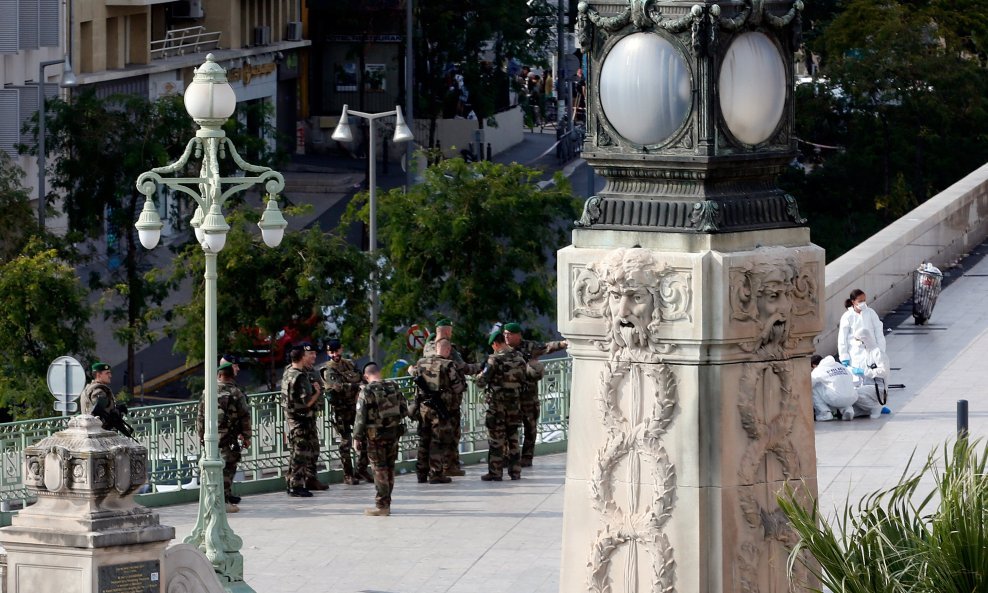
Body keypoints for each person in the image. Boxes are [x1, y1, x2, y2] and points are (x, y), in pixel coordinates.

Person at [476, 332, 542, 482]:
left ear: (495, 344)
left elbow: (481, 382)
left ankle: (495, 472)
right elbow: (525, 379)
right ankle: (515, 472)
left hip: (497, 406)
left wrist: (479, 374)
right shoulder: (519, 358)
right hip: (515, 405)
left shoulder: (494, 360)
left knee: (496, 439)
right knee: (513, 438)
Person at [502, 322, 568, 468]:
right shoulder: (503, 350)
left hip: (529, 395)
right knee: (509, 427)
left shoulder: (529, 347)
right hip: (511, 396)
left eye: (510, 334)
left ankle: (527, 457)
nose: (506, 337)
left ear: (518, 335)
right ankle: (508, 456)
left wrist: (563, 344)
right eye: (505, 334)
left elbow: (547, 347)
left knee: (530, 427)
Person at [354, 362, 408, 516]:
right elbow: (404, 410)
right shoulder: (394, 386)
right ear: (379, 372)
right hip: (393, 434)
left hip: (375, 436)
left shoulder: (367, 391)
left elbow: (360, 417)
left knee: (379, 469)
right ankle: (387, 501)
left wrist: (356, 437)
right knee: (390, 468)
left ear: (365, 376)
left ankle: (382, 505)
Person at [196, 362, 252, 513]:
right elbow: (244, 416)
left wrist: (201, 436)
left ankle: (213, 500)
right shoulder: (236, 393)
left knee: (212, 469)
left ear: (219, 375)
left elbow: (200, 416)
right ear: (231, 375)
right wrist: (247, 436)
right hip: (230, 438)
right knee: (228, 469)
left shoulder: (208, 392)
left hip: (211, 438)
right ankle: (224, 501)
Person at [320, 339, 370, 485]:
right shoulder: (328, 369)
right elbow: (336, 387)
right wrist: (356, 386)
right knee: (346, 442)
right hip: (341, 410)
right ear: (328, 353)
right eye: (331, 352)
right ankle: (348, 474)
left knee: (364, 438)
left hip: (355, 408)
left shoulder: (350, 364)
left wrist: (358, 386)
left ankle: (361, 469)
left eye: (337, 351)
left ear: (341, 349)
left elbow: (362, 380)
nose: (335, 354)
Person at [409, 339, 460, 484]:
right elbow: (458, 387)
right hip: (440, 408)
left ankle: (421, 473)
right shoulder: (448, 365)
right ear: (448, 350)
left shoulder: (420, 363)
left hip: (424, 407)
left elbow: (416, 381)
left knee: (424, 439)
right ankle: (436, 473)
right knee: (438, 440)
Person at [281, 342, 322, 497]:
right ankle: (296, 486)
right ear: (302, 357)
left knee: (294, 452)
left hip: (291, 417)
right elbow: (307, 403)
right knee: (300, 453)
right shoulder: (300, 376)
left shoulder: (288, 372)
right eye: (308, 355)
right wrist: (317, 392)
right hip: (301, 418)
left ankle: (290, 483)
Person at [848, 327, 891, 419]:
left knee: (854, 394)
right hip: (868, 387)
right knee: (852, 409)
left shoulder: (878, 353)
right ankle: (866, 410)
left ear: (864, 339)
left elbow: (883, 371)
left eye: (858, 340)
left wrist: (864, 372)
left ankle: (875, 407)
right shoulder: (867, 352)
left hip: (878, 388)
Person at [837, 289, 886, 365]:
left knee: (873, 374)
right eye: (860, 301)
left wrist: (881, 350)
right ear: (853, 302)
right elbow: (842, 338)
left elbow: (878, 332)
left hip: (872, 352)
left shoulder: (870, 313)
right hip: (855, 355)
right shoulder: (847, 316)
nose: (863, 303)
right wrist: (844, 356)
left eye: (864, 300)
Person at [80, 362, 130, 435]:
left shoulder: (89, 388)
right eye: (107, 373)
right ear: (98, 375)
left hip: (92, 431)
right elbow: (99, 414)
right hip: (98, 433)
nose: (110, 376)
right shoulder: (98, 391)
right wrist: (117, 411)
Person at [810, 354, 857, 422]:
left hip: (836, 398)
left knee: (815, 387)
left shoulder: (818, 369)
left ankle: (825, 413)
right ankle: (848, 409)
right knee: (841, 388)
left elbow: (809, 384)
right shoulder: (840, 366)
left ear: (814, 365)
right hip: (852, 397)